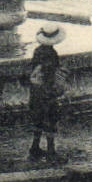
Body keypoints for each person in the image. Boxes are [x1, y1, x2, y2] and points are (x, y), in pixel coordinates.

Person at [28, 23, 67, 160]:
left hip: (35, 91)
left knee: (38, 119)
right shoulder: (51, 54)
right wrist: (53, 91)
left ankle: (35, 147)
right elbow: (49, 75)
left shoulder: (37, 50)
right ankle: (51, 152)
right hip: (46, 91)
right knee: (50, 119)